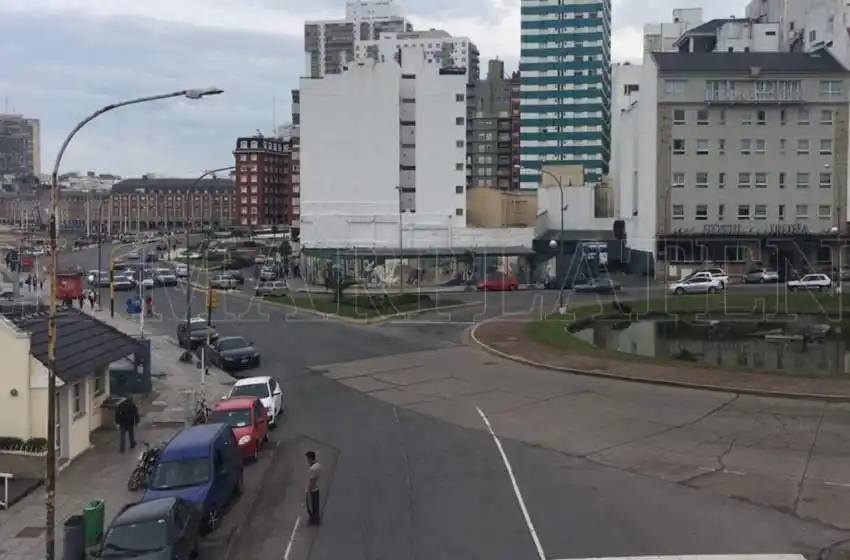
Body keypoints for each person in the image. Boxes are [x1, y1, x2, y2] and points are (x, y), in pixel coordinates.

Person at [305, 451, 321, 525]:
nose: (307, 460)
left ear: (310, 458)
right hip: (317, 488)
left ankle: (313, 521)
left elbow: (312, 482)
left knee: (310, 506)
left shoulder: (312, 469)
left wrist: (308, 492)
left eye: (308, 458)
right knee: (316, 506)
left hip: (312, 489)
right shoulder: (318, 465)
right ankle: (316, 519)